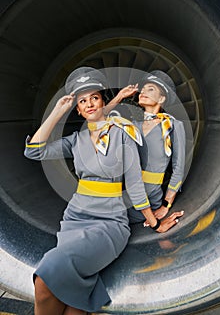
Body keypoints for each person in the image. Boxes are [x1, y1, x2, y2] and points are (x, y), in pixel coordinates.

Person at [24, 67, 184, 315]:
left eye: (94, 98)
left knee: (45, 279)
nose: (89, 104)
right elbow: (34, 151)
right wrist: (57, 112)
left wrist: (154, 222)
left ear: (102, 101)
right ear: (77, 109)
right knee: (73, 308)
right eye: (82, 101)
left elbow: (134, 184)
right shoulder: (75, 141)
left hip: (109, 223)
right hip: (74, 221)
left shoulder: (123, 134)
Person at [106, 70, 186, 224]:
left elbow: (179, 168)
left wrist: (165, 205)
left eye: (150, 89)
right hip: (120, 198)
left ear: (162, 98)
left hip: (148, 201)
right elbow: (99, 123)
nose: (143, 92)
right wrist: (120, 96)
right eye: (142, 89)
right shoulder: (132, 127)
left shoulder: (172, 126)